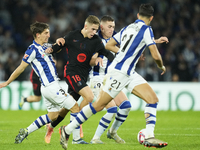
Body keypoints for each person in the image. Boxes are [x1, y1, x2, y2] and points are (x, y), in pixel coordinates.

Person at [59, 3, 168, 149]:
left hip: (129, 73)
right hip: (118, 73)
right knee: (98, 105)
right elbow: (155, 55)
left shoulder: (128, 27)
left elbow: (110, 45)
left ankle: (149, 136)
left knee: (153, 99)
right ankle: (67, 130)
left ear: (138, 16)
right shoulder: (147, 29)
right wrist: (161, 66)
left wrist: (126, 52)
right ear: (152, 18)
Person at [0, 21, 79, 144]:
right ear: (38, 34)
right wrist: (7, 82)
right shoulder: (32, 50)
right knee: (75, 107)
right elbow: (21, 68)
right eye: (46, 33)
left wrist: (59, 42)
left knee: (53, 116)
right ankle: (76, 140)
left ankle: (26, 131)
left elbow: (55, 49)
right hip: (51, 86)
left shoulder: (45, 46)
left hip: (48, 88)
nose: (48, 35)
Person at [44, 15, 115, 144]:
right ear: (86, 26)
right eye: (92, 29)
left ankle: (51, 126)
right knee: (89, 97)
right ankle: (77, 129)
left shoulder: (96, 41)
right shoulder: (73, 35)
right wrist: (52, 49)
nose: (94, 32)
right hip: (71, 72)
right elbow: (60, 44)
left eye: (96, 30)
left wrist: (119, 60)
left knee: (67, 107)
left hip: (83, 76)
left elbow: (106, 52)